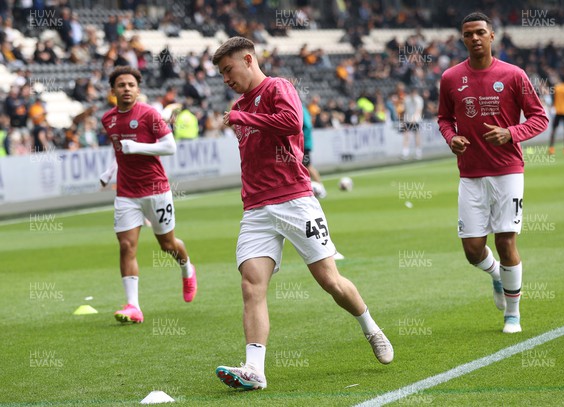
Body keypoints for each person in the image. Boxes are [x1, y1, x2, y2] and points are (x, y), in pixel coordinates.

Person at [211, 37, 393, 391]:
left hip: (295, 199)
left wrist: (241, 116)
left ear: (248, 60)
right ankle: (255, 370)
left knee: (330, 281)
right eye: (221, 73)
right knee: (251, 285)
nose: (225, 79)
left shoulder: (278, 87)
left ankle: (370, 327)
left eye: (228, 70)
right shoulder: (240, 105)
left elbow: (291, 123)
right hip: (257, 209)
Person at [437, 12, 548, 334]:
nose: (474, 38)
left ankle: (512, 314)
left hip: (507, 170)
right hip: (470, 173)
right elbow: (444, 118)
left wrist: (511, 133)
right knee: (472, 250)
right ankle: (497, 276)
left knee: (505, 241)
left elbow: (539, 118)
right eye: (468, 34)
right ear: (463, 39)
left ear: (492, 36)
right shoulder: (450, 78)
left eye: (480, 32)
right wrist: (451, 137)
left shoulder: (513, 75)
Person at [99, 66, 198, 324]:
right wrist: (109, 172)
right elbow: (120, 151)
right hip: (126, 192)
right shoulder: (108, 119)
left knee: (167, 245)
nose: (127, 89)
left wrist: (138, 147)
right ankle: (133, 305)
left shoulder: (149, 114)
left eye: (131, 85)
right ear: (113, 91)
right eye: (121, 85)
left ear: (138, 89)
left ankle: (187, 267)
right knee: (126, 246)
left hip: (156, 189)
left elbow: (170, 147)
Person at [402, 87, 424, 160]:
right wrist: (404, 120)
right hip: (408, 120)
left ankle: (418, 152)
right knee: (406, 135)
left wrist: (414, 119)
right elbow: (405, 110)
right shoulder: (406, 99)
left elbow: (419, 110)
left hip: (416, 120)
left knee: (417, 135)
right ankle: (405, 153)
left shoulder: (419, 99)